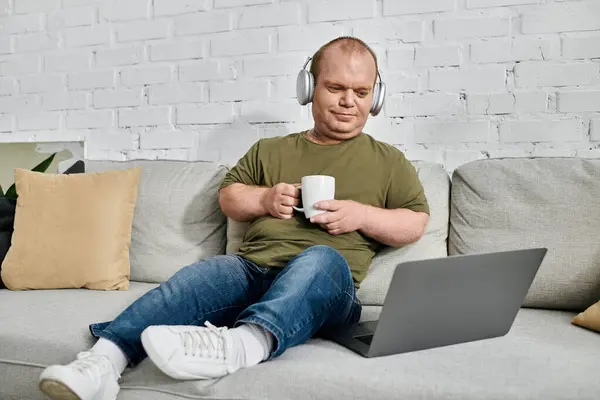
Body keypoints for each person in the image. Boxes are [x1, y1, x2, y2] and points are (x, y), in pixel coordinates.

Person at [38, 36, 430, 400]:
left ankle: (242, 345)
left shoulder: (388, 161)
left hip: (327, 288)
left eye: (361, 92)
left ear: (375, 98)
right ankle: (102, 363)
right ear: (309, 89)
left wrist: (361, 215)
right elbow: (230, 197)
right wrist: (265, 198)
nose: (349, 101)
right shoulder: (270, 149)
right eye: (336, 88)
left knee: (321, 258)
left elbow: (414, 222)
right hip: (253, 270)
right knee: (203, 275)